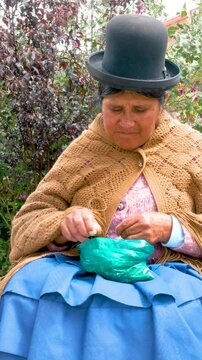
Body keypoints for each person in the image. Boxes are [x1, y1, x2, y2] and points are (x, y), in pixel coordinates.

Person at [0, 14, 202, 360]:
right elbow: (27, 222)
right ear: (100, 104)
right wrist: (63, 223)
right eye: (115, 108)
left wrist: (171, 228)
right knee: (26, 289)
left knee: (174, 309)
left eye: (140, 109)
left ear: (161, 107)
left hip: (166, 276)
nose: (126, 121)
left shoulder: (190, 149)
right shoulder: (85, 149)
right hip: (79, 274)